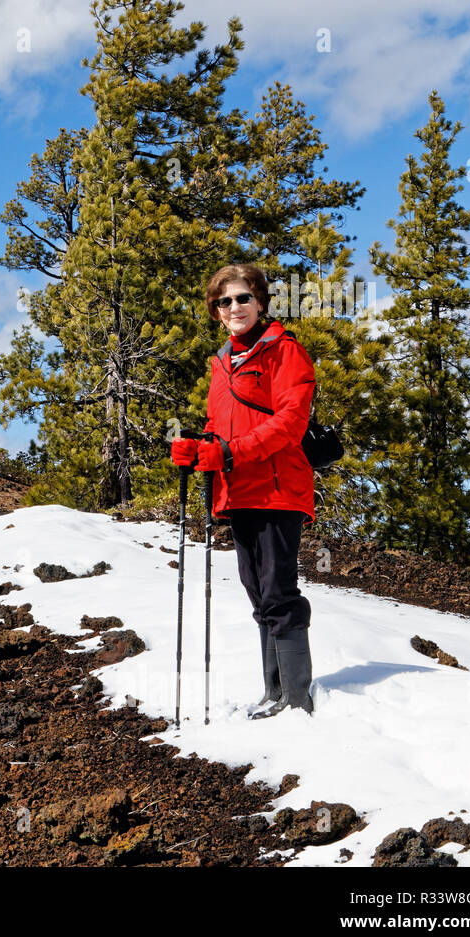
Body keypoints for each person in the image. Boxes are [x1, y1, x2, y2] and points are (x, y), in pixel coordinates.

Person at [170, 263, 317, 718]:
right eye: (224, 301)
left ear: (260, 302)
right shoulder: (222, 363)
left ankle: (296, 699)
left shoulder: (284, 352)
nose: (234, 307)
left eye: (242, 298)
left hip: (278, 488)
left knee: (278, 592)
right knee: (258, 593)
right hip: (239, 493)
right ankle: (274, 694)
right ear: (216, 312)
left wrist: (229, 453)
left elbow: (290, 423)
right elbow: (220, 425)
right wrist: (199, 448)